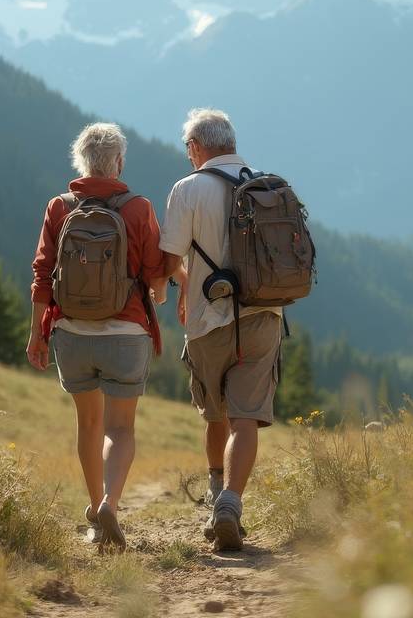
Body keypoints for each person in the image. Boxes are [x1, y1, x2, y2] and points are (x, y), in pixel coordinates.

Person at [26, 122, 167, 551]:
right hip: (126, 333)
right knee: (120, 428)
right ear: (119, 162)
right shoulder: (139, 208)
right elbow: (155, 272)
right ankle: (110, 502)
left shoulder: (60, 206)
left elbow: (42, 275)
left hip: (71, 332)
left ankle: (94, 514)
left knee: (87, 423)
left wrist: (37, 335)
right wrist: (159, 294)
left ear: (81, 162)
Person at [159, 109, 283, 551]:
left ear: (196, 147)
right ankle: (230, 502)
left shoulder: (188, 189)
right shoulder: (267, 185)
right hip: (265, 315)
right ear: (230, 143)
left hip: (208, 319)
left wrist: (177, 285)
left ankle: (217, 494)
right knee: (245, 416)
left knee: (216, 413)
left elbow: (169, 258)